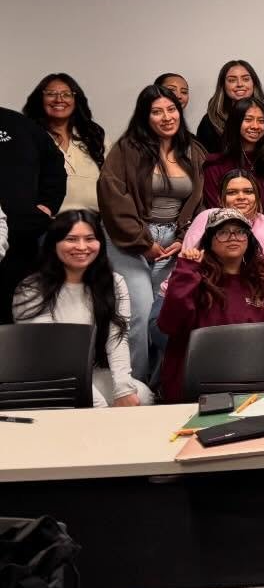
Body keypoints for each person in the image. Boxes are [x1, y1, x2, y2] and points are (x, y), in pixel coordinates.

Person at [97, 84, 205, 382]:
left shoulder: (193, 151)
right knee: (139, 312)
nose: (166, 117)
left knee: (165, 316)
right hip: (129, 240)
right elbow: (112, 197)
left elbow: (201, 203)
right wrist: (143, 243)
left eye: (171, 109)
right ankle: (136, 385)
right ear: (145, 117)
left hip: (173, 243)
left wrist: (185, 238)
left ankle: (162, 383)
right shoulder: (126, 149)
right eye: (157, 112)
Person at [12, 209, 153, 407]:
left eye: (89, 239)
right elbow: (52, 354)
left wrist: (123, 389)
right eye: (71, 239)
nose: (81, 247)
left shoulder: (114, 282)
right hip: (44, 376)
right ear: (54, 244)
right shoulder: (32, 289)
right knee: (96, 406)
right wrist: (97, 406)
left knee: (141, 395)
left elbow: (117, 337)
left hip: (89, 372)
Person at [154, 208, 264, 402]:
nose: (233, 237)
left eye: (240, 232)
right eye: (223, 232)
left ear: (249, 240)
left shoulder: (263, 284)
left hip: (248, 384)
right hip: (198, 386)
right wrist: (185, 272)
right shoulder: (191, 276)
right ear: (210, 241)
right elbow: (168, 325)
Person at [0, 105, 65, 324]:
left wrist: (47, 205)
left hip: (23, 237)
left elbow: (54, 164)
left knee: (17, 314)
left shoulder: (18, 124)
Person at [178, 169, 264, 281]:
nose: (241, 197)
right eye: (232, 192)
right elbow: (186, 260)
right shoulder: (207, 217)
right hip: (206, 289)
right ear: (221, 199)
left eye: (248, 191)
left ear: (257, 196)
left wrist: (245, 292)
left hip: (259, 292)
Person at [23, 73, 106, 213]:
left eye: (66, 94)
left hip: (93, 226)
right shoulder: (27, 138)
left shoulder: (95, 137)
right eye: (51, 94)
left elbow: (114, 186)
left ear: (76, 100)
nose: (59, 99)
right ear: (39, 99)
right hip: (45, 227)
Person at [202, 97, 264, 222]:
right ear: (235, 122)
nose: (255, 126)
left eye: (261, 121)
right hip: (228, 235)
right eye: (248, 120)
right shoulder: (215, 165)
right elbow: (216, 212)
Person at [196, 60, 264, 154]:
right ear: (223, 85)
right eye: (232, 80)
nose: (240, 84)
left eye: (245, 79)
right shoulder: (210, 121)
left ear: (254, 83)